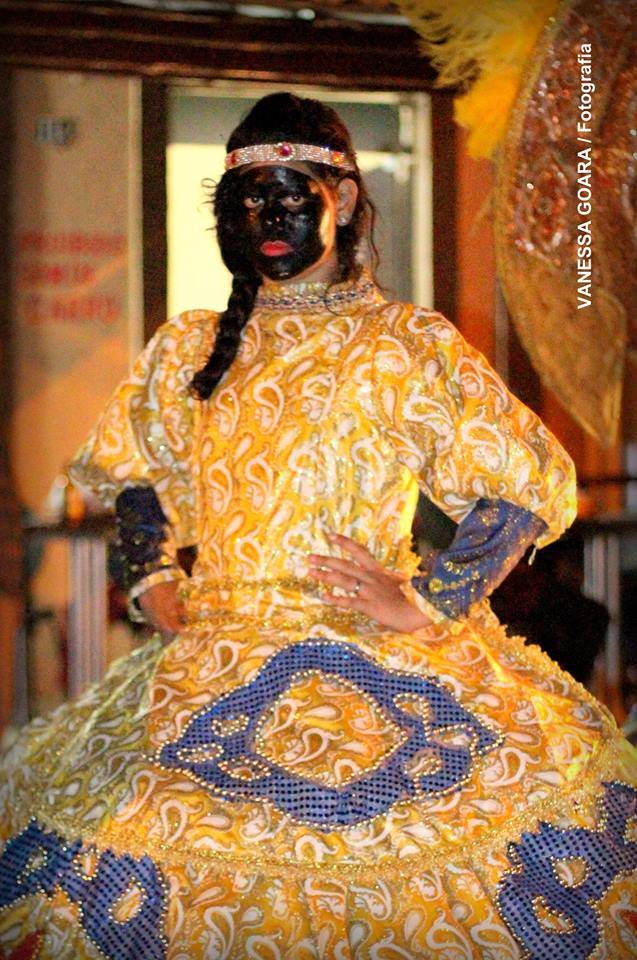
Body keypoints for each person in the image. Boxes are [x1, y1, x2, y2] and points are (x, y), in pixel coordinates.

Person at [1, 92, 636, 960]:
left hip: (380, 666)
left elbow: (519, 482)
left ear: (343, 197)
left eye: (288, 195)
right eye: (246, 200)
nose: (267, 220)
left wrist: (429, 598)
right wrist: (151, 579)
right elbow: (137, 472)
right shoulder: (189, 346)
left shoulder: (406, 342)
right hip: (211, 663)